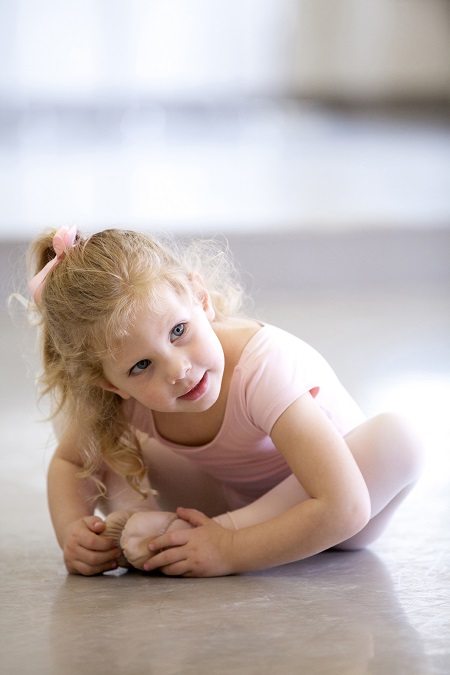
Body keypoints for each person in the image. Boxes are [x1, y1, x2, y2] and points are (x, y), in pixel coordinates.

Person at [27, 226, 422, 577]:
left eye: (178, 331)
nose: (178, 370)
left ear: (201, 299)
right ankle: (144, 529)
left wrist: (229, 549)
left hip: (333, 508)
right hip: (226, 502)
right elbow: (70, 461)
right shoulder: (118, 398)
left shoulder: (261, 366)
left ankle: (195, 536)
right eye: (142, 365)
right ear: (112, 385)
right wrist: (74, 533)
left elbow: (346, 508)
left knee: (397, 438)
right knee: (107, 445)